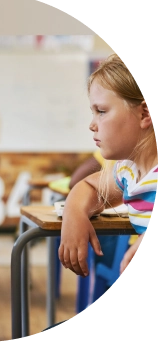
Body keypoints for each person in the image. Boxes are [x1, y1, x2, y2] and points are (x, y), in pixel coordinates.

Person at [58, 52, 157, 279]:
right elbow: (90, 186)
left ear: (145, 113)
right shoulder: (128, 171)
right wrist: (74, 212)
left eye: (101, 111)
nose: (92, 125)